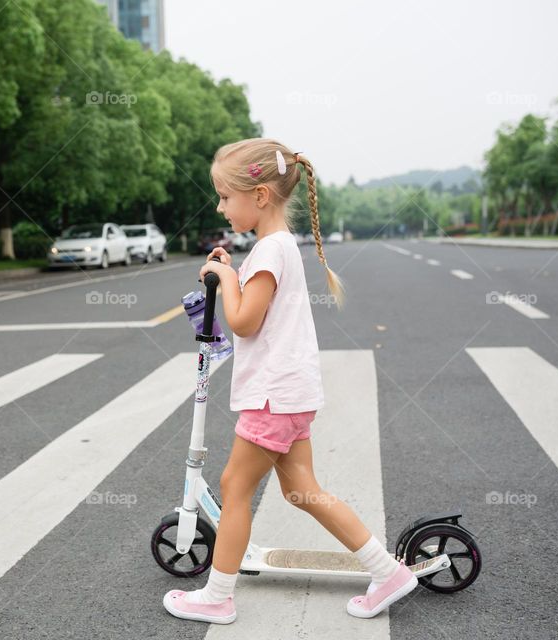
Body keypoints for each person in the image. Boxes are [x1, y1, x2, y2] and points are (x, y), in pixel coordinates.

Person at [162, 138, 417, 625]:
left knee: (234, 487)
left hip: (272, 397)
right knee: (302, 489)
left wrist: (226, 277)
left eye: (224, 195)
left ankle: (216, 596)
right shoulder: (277, 249)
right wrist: (233, 272)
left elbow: (243, 322)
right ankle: (387, 572)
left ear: (259, 197)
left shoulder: (268, 252)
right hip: (292, 394)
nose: (219, 205)